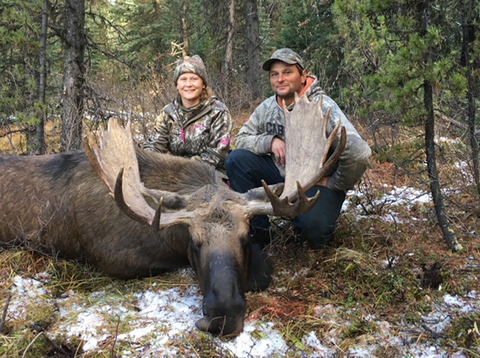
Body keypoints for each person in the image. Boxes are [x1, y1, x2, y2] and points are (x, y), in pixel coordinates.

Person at [225, 48, 371, 249]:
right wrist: (270, 141)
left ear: (303, 76)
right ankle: (258, 233)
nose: (280, 79)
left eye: (287, 72)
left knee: (314, 232)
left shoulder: (322, 107)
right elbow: (241, 139)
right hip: (282, 173)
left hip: (315, 183)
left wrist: (334, 182)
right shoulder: (267, 107)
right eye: (274, 74)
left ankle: (306, 221)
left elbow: (359, 153)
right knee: (236, 159)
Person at [143, 55, 232, 171]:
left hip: (209, 173)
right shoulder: (168, 113)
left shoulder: (217, 112)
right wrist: (146, 159)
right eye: (183, 79)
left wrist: (183, 167)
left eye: (194, 79)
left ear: (203, 84)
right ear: (177, 85)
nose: (188, 84)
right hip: (174, 172)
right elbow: (154, 145)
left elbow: (218, 154)